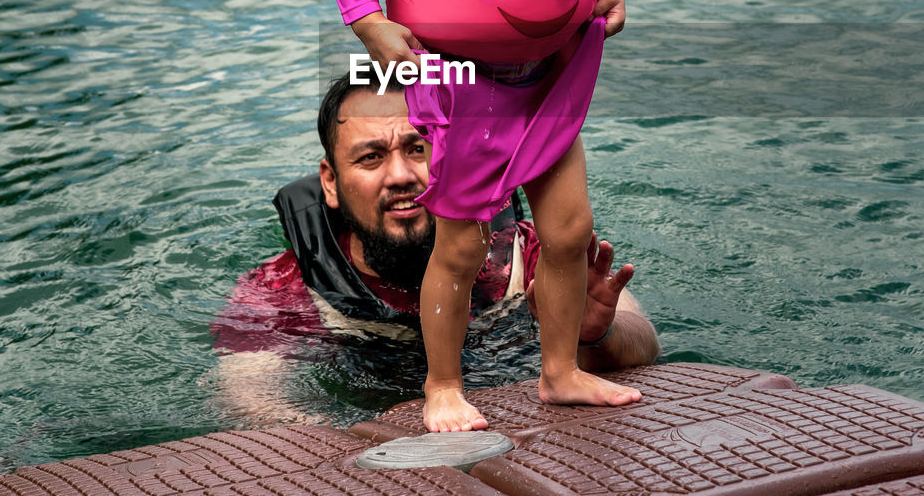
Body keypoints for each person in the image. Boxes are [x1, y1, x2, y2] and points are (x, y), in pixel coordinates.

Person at [292, 0, 636, 431]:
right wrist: (365, 20)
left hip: (548, 82)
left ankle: (561, 369)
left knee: (570, 229)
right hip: (467, 91)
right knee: (464, 244)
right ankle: (443, 385)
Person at [210, 74, 660, 425]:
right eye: (371, 157)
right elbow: (249, 399)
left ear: (453, 152)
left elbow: (644, 344)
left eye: (419, 146)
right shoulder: (284, 287)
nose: (401, 175)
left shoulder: (528, 251)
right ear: (330, 180)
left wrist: (596, 336)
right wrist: (352, 450)